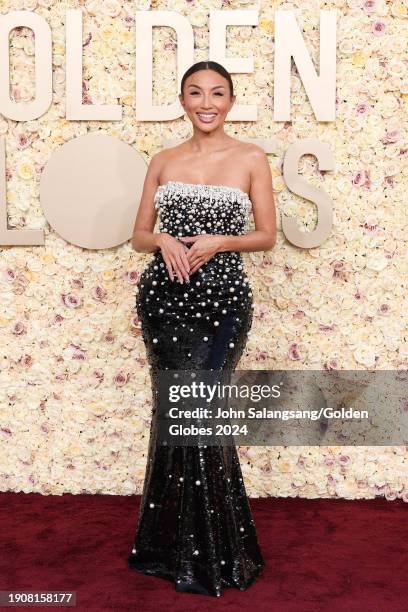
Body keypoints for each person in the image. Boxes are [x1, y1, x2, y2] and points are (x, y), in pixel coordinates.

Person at [128, 60, 276, 597]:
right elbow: (140, 233)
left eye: (217, 93)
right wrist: (162, 240)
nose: (206, 102)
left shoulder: (250, 157)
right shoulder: (163, 160)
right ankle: (167, 548)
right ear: (183, 100)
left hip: (222, 302)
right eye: (196, 93)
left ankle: (217, 550)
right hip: (164, 301)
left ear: (231, 101)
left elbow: (266, 235)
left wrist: (220, 242)